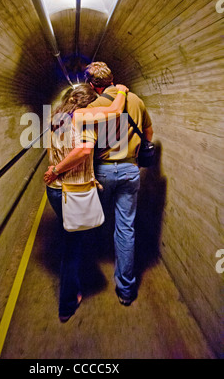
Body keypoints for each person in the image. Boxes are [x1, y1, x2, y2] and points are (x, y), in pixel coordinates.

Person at [45, 62, 153, 307]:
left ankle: (88, 272)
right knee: (126, 228)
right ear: (112, 78)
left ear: (92, 85)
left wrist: (56, 170)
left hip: (102, 171)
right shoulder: (136, 100)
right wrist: (134, 156)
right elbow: (149, 130)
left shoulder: (92, 105)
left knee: (92, 224)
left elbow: (85, 145)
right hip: (130, 169)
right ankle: (125, 289)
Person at [44, 82, 129, 322]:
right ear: (86, 102)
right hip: (71, 190)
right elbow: (113, 111)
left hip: (55, 191)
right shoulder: (81, 115)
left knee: (69, 238)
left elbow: (54, 149)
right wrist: (121, 90)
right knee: (72, 249)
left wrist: (54, 168)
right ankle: (68, 303)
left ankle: (70, 294)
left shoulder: (57, 116)